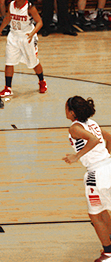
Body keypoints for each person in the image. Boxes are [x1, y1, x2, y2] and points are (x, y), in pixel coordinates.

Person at [62, 96, 111, 262]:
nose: (65, 110)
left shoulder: (74, 128)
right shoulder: (93, 123)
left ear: (72, 112)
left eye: (66, 108)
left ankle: (108, 255)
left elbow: (94, 140)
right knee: (103, 210)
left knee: (96, 214)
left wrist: (77, 156)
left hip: (96, 175)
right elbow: (108, 138)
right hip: (108, 167)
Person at [0, 0, 47, 97]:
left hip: (27, 36)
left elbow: (40, 22)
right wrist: (0, 30)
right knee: (9, 62)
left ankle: (42, 82)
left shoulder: (29, 6)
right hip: (13, 36)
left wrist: (32, 33)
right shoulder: (11, 5)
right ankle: (8, 88)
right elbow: (8, 17)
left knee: (33, 62)